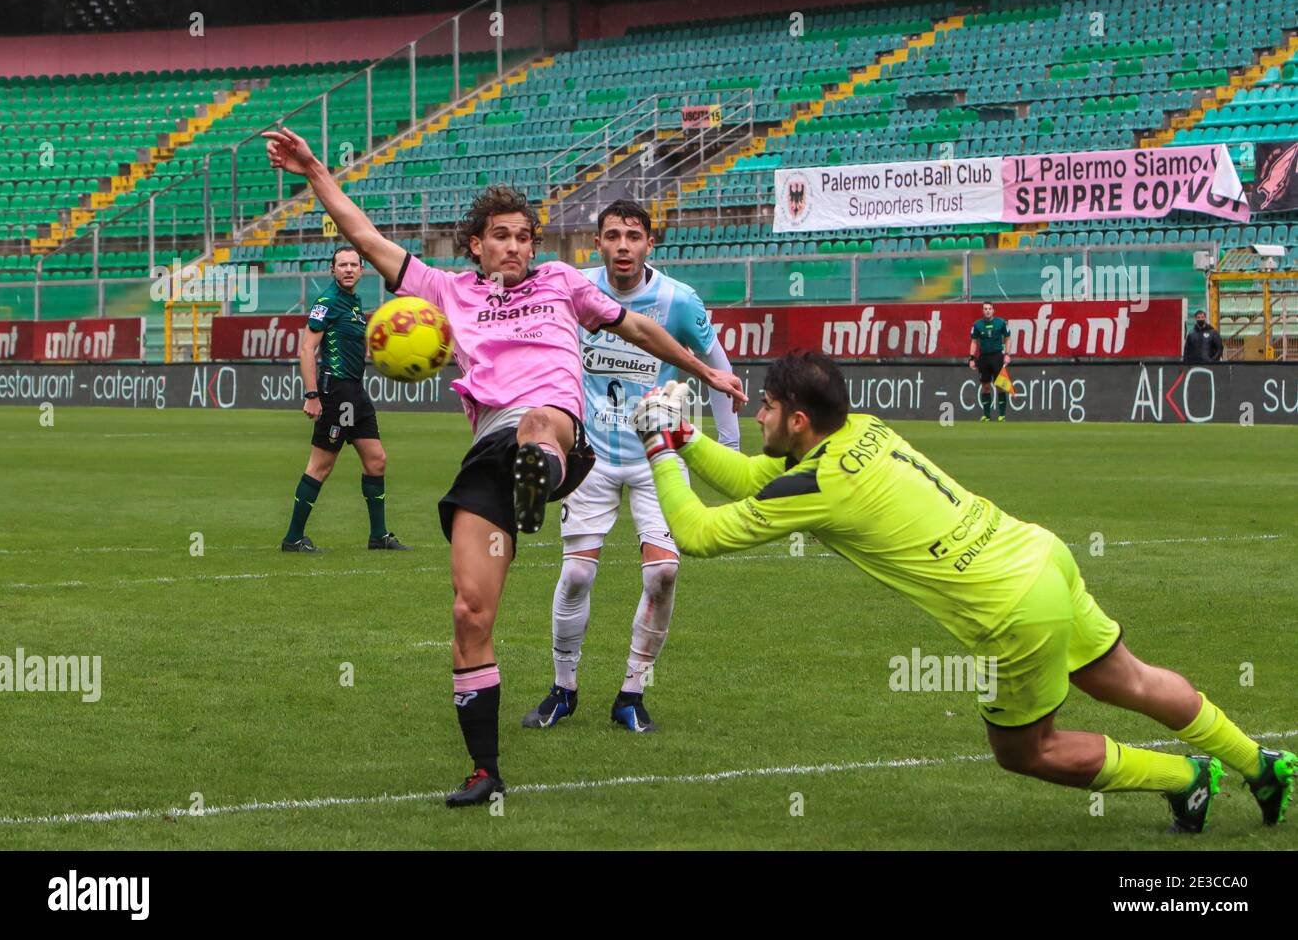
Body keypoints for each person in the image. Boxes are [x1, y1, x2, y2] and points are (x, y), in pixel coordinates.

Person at [262, 127, 746, 807]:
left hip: (558, 432)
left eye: (525, 235)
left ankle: (537, 477)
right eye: (502, 235)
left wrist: (703, 371)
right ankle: (484, 771)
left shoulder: (562, 282)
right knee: (469, 612)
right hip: (489, 454)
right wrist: (313, 169)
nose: (516, 246)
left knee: (535, 425)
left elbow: (637, 330)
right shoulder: (445, 291)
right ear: (476, 245)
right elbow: (366, 238)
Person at [631, 351, 1295, 833]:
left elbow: (700, 533)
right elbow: (753, 478)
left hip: (1012, 608)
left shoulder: (817, 485)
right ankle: (1260, 764)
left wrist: (658, 448)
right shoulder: (861, 428)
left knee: (1024, 750)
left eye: (768, 407)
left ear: (799, 421)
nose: (761, 416)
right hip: (1039, 553)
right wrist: (685, 438)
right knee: (1134, 679)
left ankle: (1185, 779)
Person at [521, 199, 741, 735]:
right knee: (575, 573)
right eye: (613, 235)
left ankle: (631, 693)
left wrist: (731, 454)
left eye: (634, 236)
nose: (623, 245)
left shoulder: (677, 300)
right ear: (597, 242)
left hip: (656, 456)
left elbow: (720, 370)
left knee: (665, 571)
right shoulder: (573, 288)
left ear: (649, 243)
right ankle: (563, 689)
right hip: (590, 455)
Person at [281, 246, 409, 554]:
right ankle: (293, 539)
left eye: (354, 264)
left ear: (362, 270)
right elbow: (306, 350)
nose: (348, 269)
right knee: (321, 465)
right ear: (333, 270)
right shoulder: (327, 302)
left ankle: (378, 536)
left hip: (355, 392)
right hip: (336, 393)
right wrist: (312, 395)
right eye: (342, 265)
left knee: (376, 460)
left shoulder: (353, 302)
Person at [968, 302, 1012, 421]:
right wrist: (971, 358)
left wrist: (1007, 354)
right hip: (984, 358)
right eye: (985, 309)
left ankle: (1002, 415)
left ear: (993, 310)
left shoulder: (1001, 322)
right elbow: (973, 342)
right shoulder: (977, 325)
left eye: (989, 309)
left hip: (997, 357)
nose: (987, 311)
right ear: (982, 310)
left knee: (1000, 386)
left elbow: (1007, 339)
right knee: (985, 386)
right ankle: (987, 416)